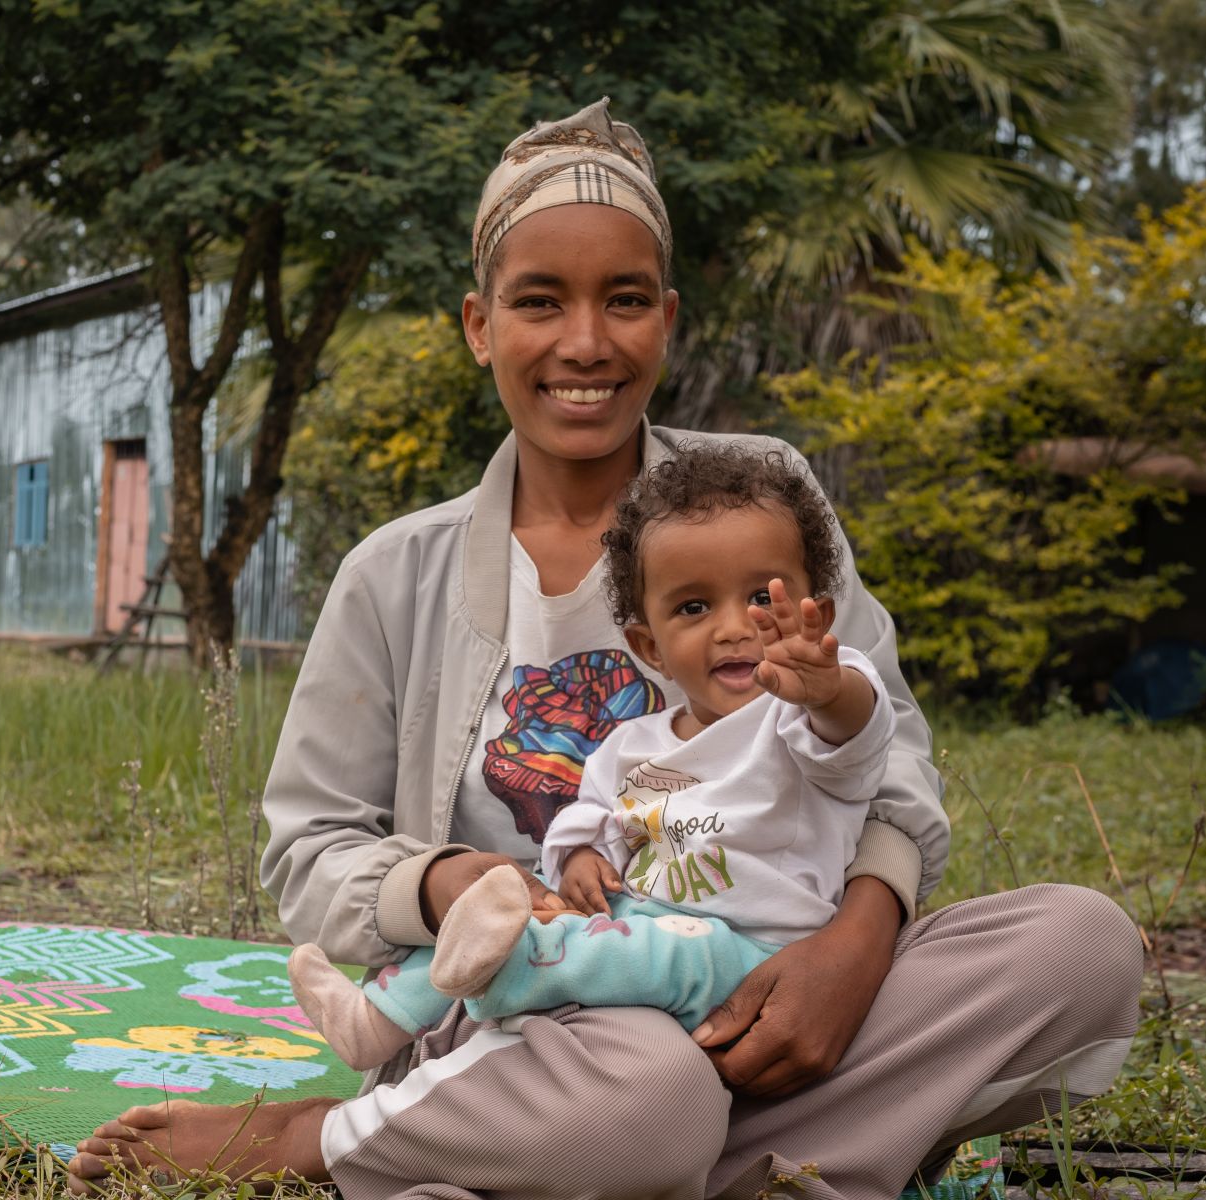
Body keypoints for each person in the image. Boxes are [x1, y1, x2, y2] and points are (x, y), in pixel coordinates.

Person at [67, 98, 1144, 1200]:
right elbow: (307, 854)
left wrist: (851, 948)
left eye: (623, 300)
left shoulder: (762, 499)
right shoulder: (395, 572)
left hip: (764, 993)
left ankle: (579, 1167)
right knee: (648, 1092)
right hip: (545, 1024)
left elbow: (887, 751)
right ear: (478, 325)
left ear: (665, 318)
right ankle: (326, 1138)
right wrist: (445, 884)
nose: (585, 343)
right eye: (538, 301)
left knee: (1078, 948)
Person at [288, 445, 899, 1071]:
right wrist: (580, 855)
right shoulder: (635, 742)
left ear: (815, 615)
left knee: (580, 947)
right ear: (649, 646)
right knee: (509, 908)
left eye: (762, 600)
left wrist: (827, 686)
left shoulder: (803, 713)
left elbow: (859, 733)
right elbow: (593, 816)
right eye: (694, 607)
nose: (734, 627)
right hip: (639, 922)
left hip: (752, 951)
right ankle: (375, 1020)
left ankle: (497, 987)